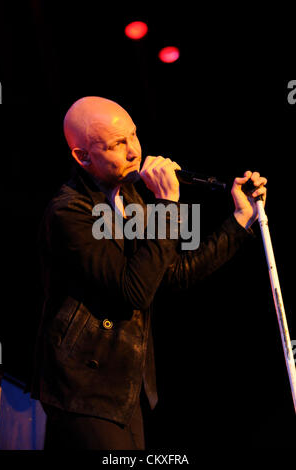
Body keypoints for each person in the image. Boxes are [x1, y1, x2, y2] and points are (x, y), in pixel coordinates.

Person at [30, 96, 267, 450]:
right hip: (83, 384)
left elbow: (171, 274)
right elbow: (134, 290)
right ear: (83, 156)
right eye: (116, 144)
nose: (133, 152)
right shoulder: (69, 213)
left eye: (133, 136)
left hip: (127, 384)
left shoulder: (132, 198)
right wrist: (168, 206)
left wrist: (239, 220)